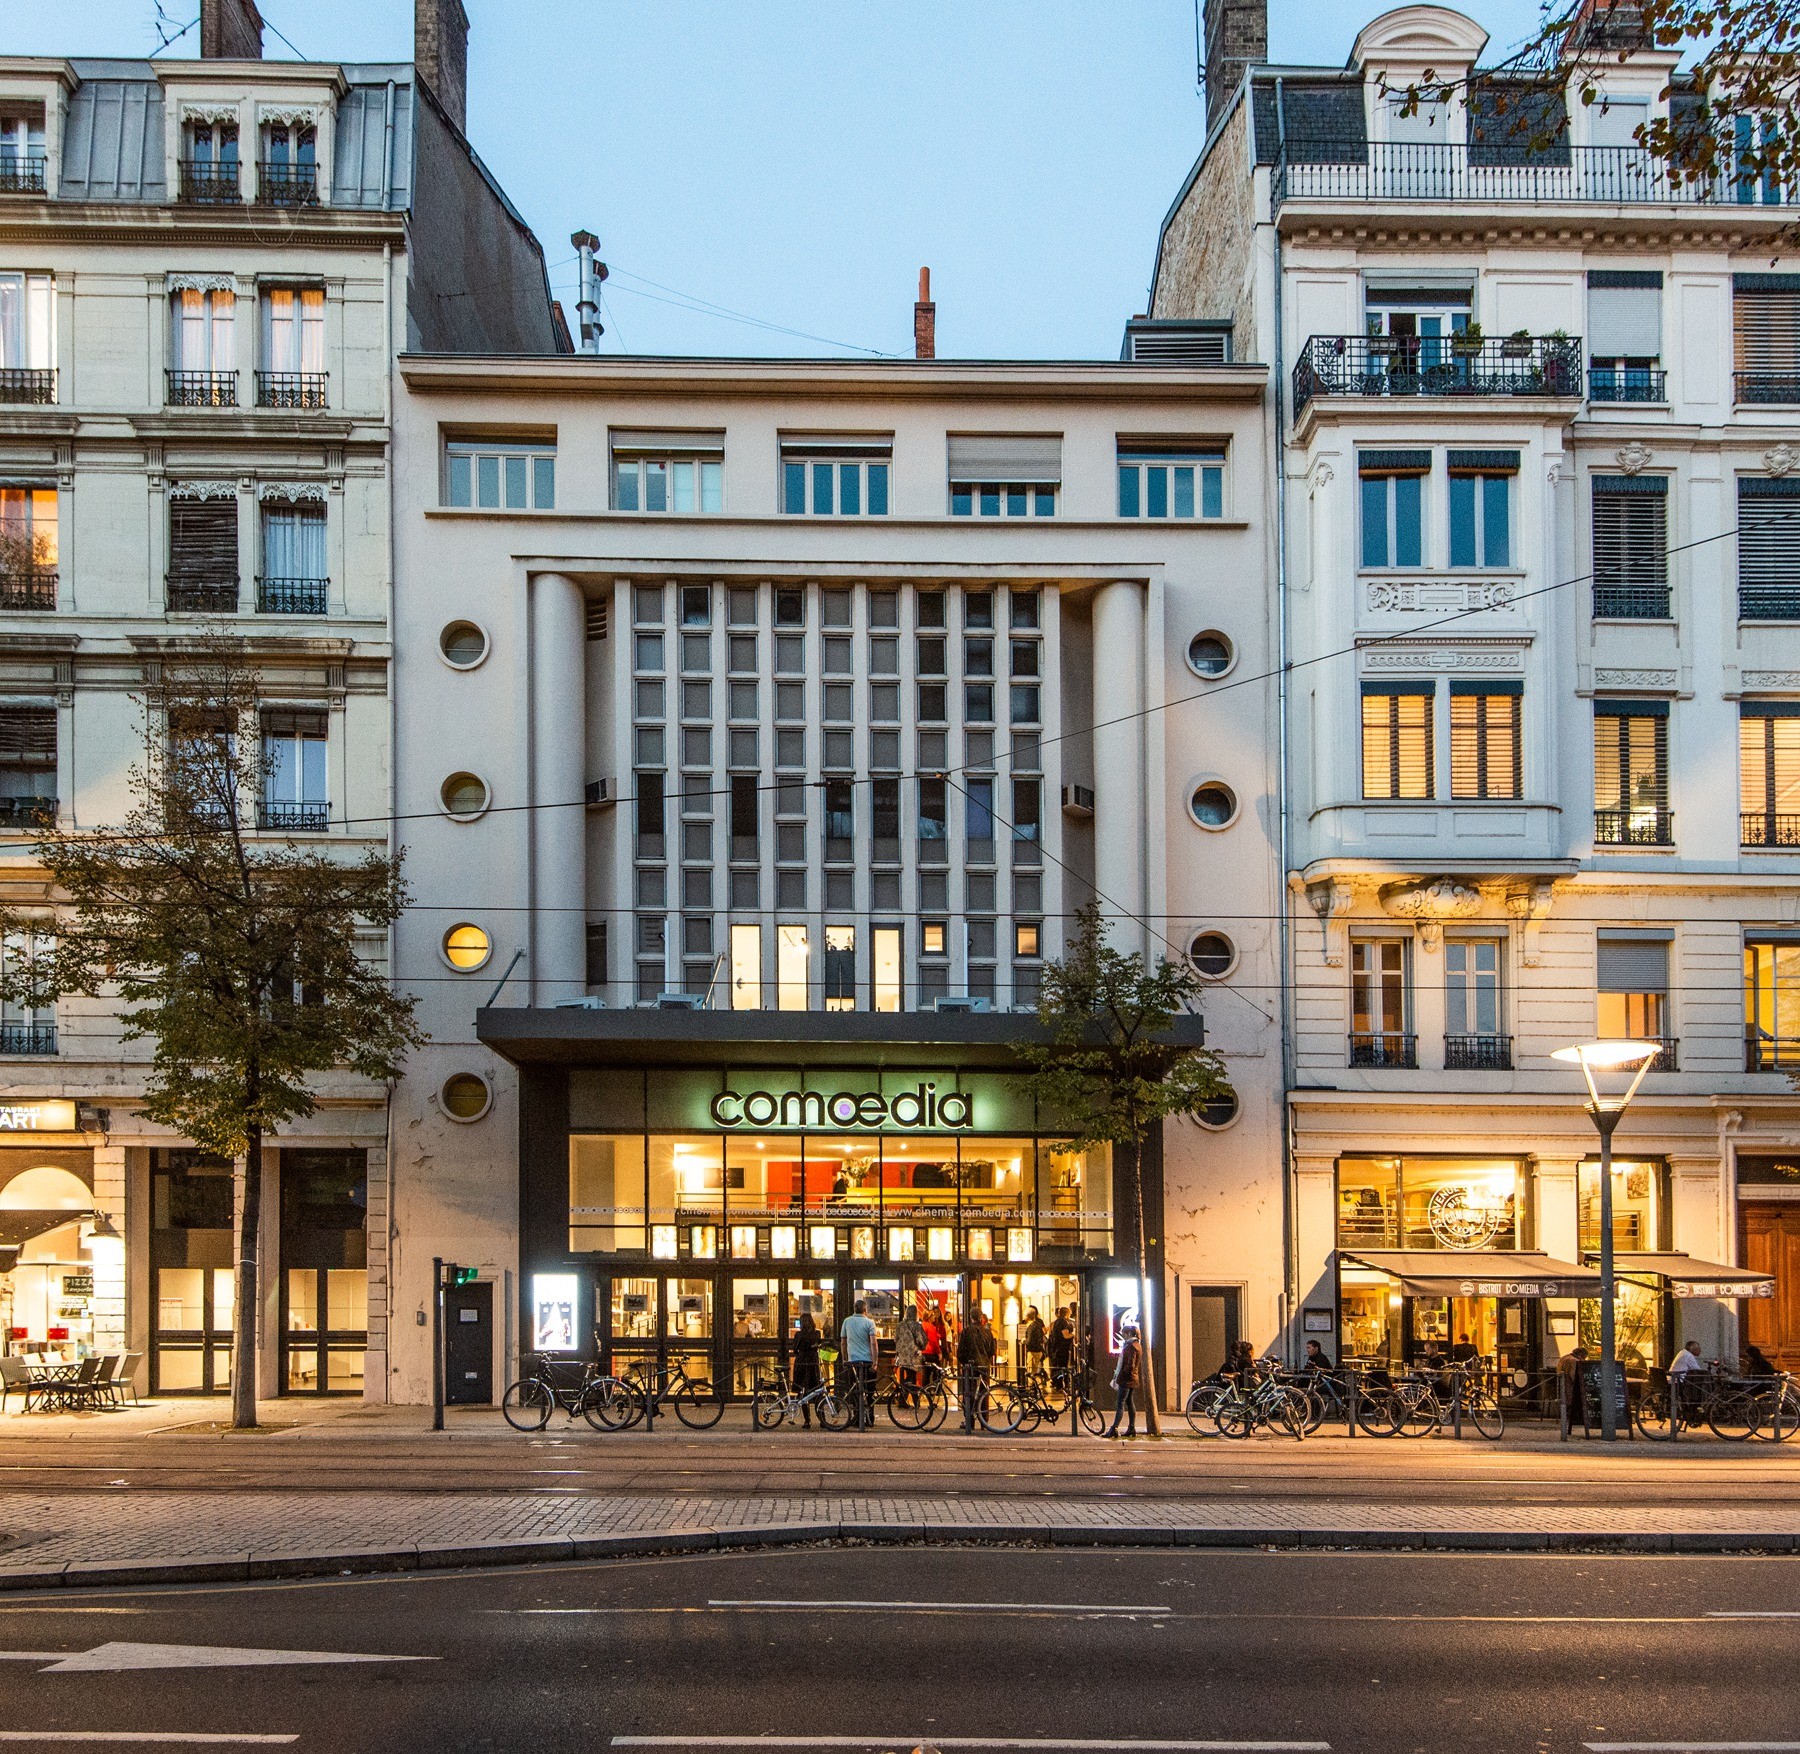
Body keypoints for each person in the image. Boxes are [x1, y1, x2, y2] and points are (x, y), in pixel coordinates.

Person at [840, 1300, 877, 1430]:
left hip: (853, 1361)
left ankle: (856, 1418)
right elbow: (873, 1343)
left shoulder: (847, 1321)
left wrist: (845, 1358)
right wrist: (875, 1361)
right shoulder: (870, 1322)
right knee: (869, 1391)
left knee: (855, 1390)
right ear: (865, 1310)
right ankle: (870, 1418)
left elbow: (843, 1342)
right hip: (867, 1361)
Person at [1107, 1323, 1142, 1438]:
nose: (1123, 1336)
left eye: (1124, 1334)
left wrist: (1121, 1374)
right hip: (1133, 1378)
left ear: (1129, 1334)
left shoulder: (1130, 1346)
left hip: (1127, 1379)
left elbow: (1130, 1364)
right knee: (1129, 1402)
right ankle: (1131, 1427)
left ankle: (1114, 1428)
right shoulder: (1137, 1345)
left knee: (1120, 1403)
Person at [791, 1310, 822, 1429]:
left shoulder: (798, 1335)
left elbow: (795, 1349)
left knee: (802, 1392)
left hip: (801, 1362)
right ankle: (822, 1419)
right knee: (817, 1391)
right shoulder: (817, 1333)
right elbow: (817, 1346)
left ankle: (807, 1420)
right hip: (813, 1362)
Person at [957, 1307, 986, 1434]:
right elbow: (991, 1350)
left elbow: (960, 1352)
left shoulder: (966, 1331)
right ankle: (984, 1421)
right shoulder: (987, 1332)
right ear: (981, 1317)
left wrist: (964, 1362)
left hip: (970, 1366)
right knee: (984, 1393)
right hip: (984, 1365)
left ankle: (969, 1421)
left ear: (970, 1317)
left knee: (969, 1393)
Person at [895, 1304, 927, 1394]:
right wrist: (922, 1347)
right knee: (911, 1377)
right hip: (913, 1356)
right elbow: (921, 1340)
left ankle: (911, 1398)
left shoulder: (900, 1325)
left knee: (911, 1377)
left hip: (902, 1355)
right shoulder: (916, 1326)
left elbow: (895, 1339)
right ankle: (901, 1394)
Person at [1047, 1305, 1075, 1390]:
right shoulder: (1063, 1322)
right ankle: (1063, 1384)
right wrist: (1073, 1334)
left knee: (1058, 1367)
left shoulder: (1056, 1322)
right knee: (1063, 1367)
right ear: (1066, 1314)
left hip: (1056, 1349)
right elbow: (1065, 1335)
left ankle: (1058, 1384)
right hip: (1062, 1349)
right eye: (1069, 1313)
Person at [1023, 1307, 1047, 1381]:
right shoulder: (1038, 1324)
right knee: (1035, 1371)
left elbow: (1029, 1341)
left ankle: (1033, 1387)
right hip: (1038, 1351)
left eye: (1024, 1314)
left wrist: (1023, 1341)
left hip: (1033, 1352)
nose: (1023, 1316)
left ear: (1027, 1316)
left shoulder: (1031, 1327)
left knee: (1031, 1373)